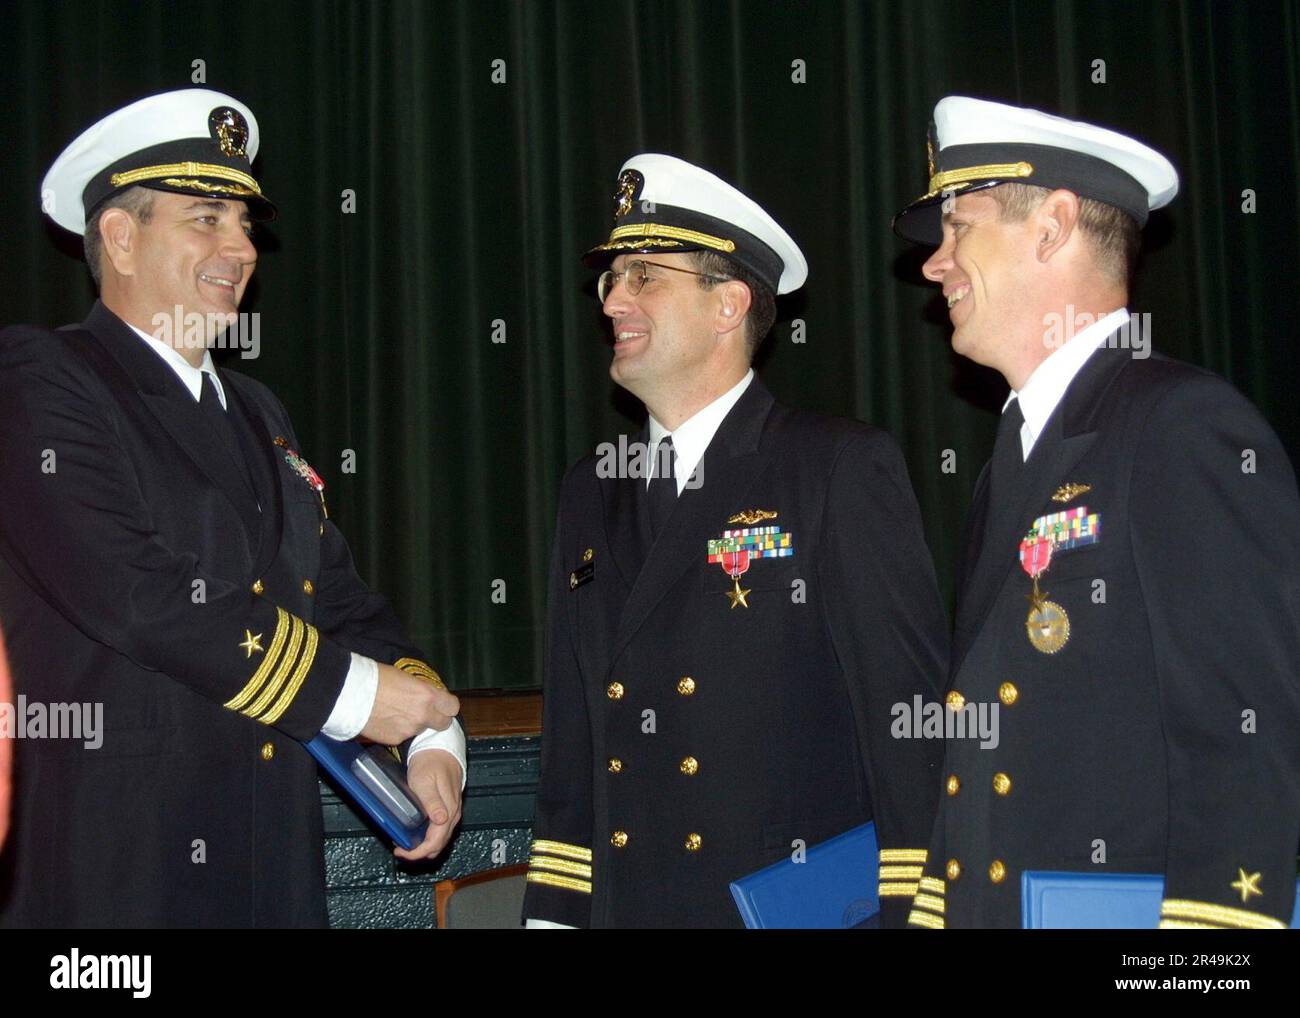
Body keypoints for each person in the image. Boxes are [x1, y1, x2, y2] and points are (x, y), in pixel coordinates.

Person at [0, 88, 466, 927]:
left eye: (245, 224)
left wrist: (430, 734)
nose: (241, 247)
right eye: (206, 218)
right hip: (116, 885)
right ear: (118, 235)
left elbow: (342, 602)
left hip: (269, 875)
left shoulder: (259, 411)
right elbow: (136, 595)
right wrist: (355, 698)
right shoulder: (44, 380)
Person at [893, 96, 1300, 929]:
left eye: (959, 226)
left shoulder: (1179, 426)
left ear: (1052, 226)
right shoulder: (1019, 450)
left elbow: (1242, 751)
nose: (937, 264)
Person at [523, 154, 949, 928]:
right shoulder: (589, 488)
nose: (612, 296)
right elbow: (573, 748)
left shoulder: (835, 468)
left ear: (730, 305)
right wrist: (554, 915)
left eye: (644, 275)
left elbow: (908, 729)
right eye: (610, 277)